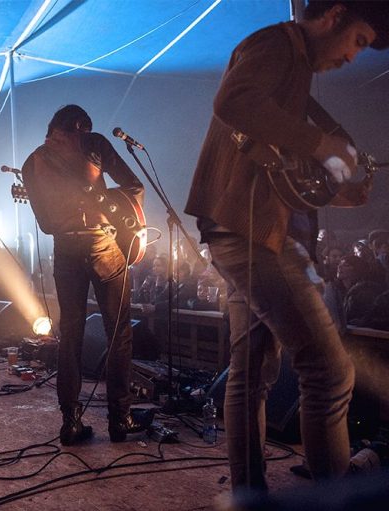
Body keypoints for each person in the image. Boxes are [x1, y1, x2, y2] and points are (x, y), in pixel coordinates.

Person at [184, 1, 388, 491]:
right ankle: (336, 500)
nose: (353, 57)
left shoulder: (292, 73)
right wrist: (323, 146)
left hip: (245, 229)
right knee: (330, 372)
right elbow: (233, 102)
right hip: (253, 235)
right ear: (334, 15)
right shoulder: (277, 43)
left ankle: (248, 494)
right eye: (358, 41)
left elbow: (278, 166)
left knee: (249, 375)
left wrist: (339, 193)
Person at [21, 104, 152, 445]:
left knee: (71, 335)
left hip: (65, 251)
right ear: (80, 126)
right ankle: (120, 418)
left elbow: (46, 224)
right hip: (103, 245)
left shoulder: (31, 163)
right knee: (119, 332)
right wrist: (120, 220)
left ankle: (71, 423)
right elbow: (133, 185)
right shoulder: (92, 142)